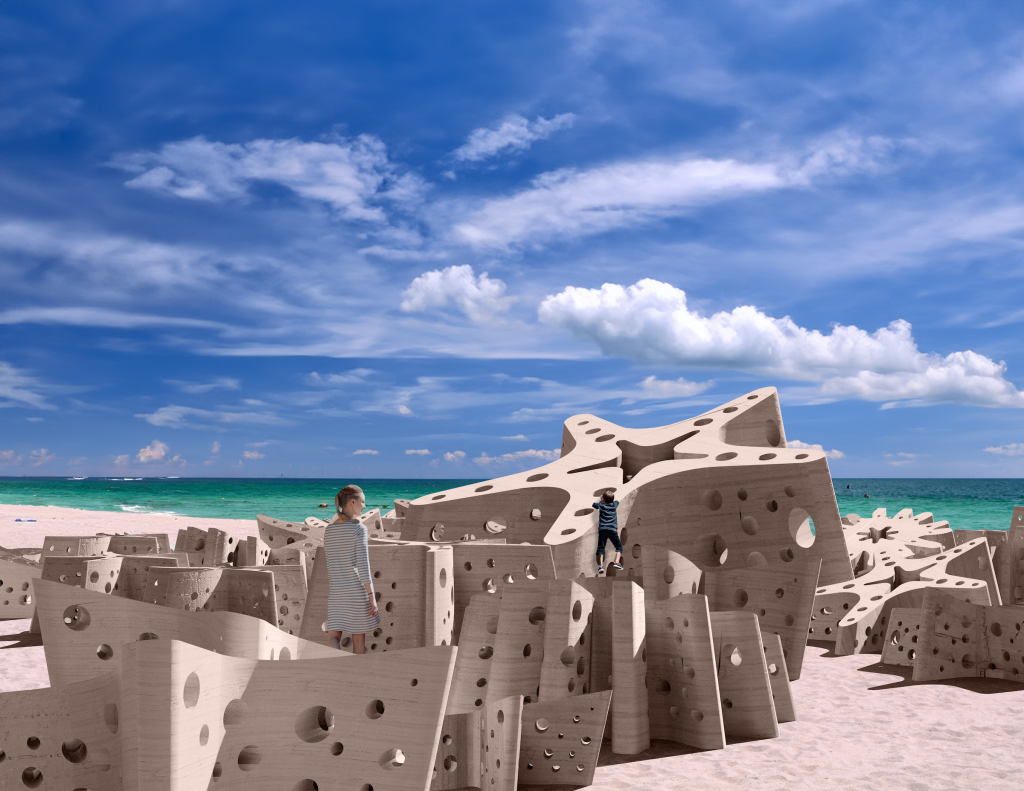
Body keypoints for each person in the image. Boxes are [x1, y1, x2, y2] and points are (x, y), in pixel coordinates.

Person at [324, 484, 380, 653]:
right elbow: (363, 565)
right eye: (363, 502)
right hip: (355, 591)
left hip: (336, 592)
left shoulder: (329, 530)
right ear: (353, 502)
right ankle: (357, 676)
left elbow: (330, 563)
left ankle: (334, 672)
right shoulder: (359, 529)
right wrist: (371, 595)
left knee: (333, 636)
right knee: (358, 637)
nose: (364, 506)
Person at [593, 489, 623, 575]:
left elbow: (593, 505)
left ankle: (600, 567)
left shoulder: (601, 506)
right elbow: (617, 501)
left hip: (602, 530)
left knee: (601, 549)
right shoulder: (614, 505)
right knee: (619, 547)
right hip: (612, 530)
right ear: (612, 500)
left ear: (603, 500)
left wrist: (601, 501)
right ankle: (617, 562)